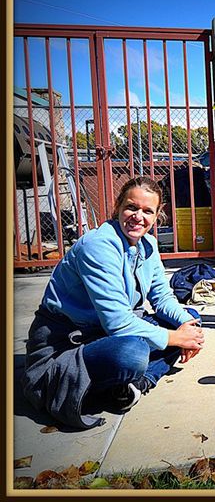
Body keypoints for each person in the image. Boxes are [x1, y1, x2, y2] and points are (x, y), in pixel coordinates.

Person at [21, 177, 205, 430]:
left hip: (106, 333)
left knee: (191, 318)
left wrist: (186, 326)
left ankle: (134, 386)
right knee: (132, 353)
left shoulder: (147, 245)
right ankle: (121, 383)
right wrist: (177, 339)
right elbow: (118, 324)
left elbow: (162, 298)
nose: (138, 217)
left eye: (147, 211)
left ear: (157, 216)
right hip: (67, 342)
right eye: (132, 207)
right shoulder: (97, 246)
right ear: (118, 206)